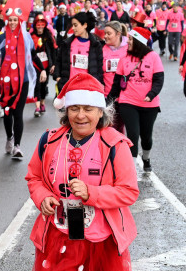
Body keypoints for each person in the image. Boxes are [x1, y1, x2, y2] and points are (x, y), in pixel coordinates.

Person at [25, 73, 139, 271]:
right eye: (75, 108)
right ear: (66, 111)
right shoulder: (49, 141)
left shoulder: (113, 144)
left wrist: (92, 194)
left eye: (89, 109)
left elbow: (129, 192)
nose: (81, 115)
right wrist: (43, 199)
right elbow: (34, 178)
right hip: (60, 232)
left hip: (98, 236)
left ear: (101, 112)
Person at [110, 27, 164, 173]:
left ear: (140, 41)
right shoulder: (124, 59)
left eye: (132, 40)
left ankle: (146, 158)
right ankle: (132, 169)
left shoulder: (153, 57)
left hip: (149, 104)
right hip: (128, 102)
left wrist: (151, 94)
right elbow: (116, 83)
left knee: (146, 137)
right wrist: (107, 101)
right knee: (132, 134)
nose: (128, 42)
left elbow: (159, 80)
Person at [0, 8, 36, 159]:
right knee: (8, 113)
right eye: (11, 20)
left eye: (16, 20)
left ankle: (17, 146)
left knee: (18, 113)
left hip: (22, 81)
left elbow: (32, 56)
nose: (13, 23)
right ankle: (9, 138)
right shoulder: (0, 38)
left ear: (20, 21)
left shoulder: (26, 38)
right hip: (5, 82)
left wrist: (43, 71)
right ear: (7, 22)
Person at [54, 11, 104, 89]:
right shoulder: (67, 43)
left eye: (75, 25)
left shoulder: (96, 45)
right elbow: (58, 61)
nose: (73, 28)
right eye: (72, 25)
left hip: (88, 88)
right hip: (69, 87)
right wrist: (58, 78)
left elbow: (99, 67)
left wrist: (98, 83)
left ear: (85, 25)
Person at [101, 21, 128, 132]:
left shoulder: (128, 48)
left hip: (125, 97)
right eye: (105, 33)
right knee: (109, 127)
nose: (105, 36)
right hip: (108, 96)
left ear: (118, 34)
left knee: (120, 127)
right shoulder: (102, 49)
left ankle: (121, 148)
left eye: (108, 33)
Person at [30, 14, 56, 117]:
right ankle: (37, 107)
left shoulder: (48, 36)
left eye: (42, 25)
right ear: (35, 26)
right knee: (36, 85)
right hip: (35, 65)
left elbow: (54, 50)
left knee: (44, 86)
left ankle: (42, 103)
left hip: (46, 64)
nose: (40, 27)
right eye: (38, 25)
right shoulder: (31, 36)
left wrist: (53, 64)